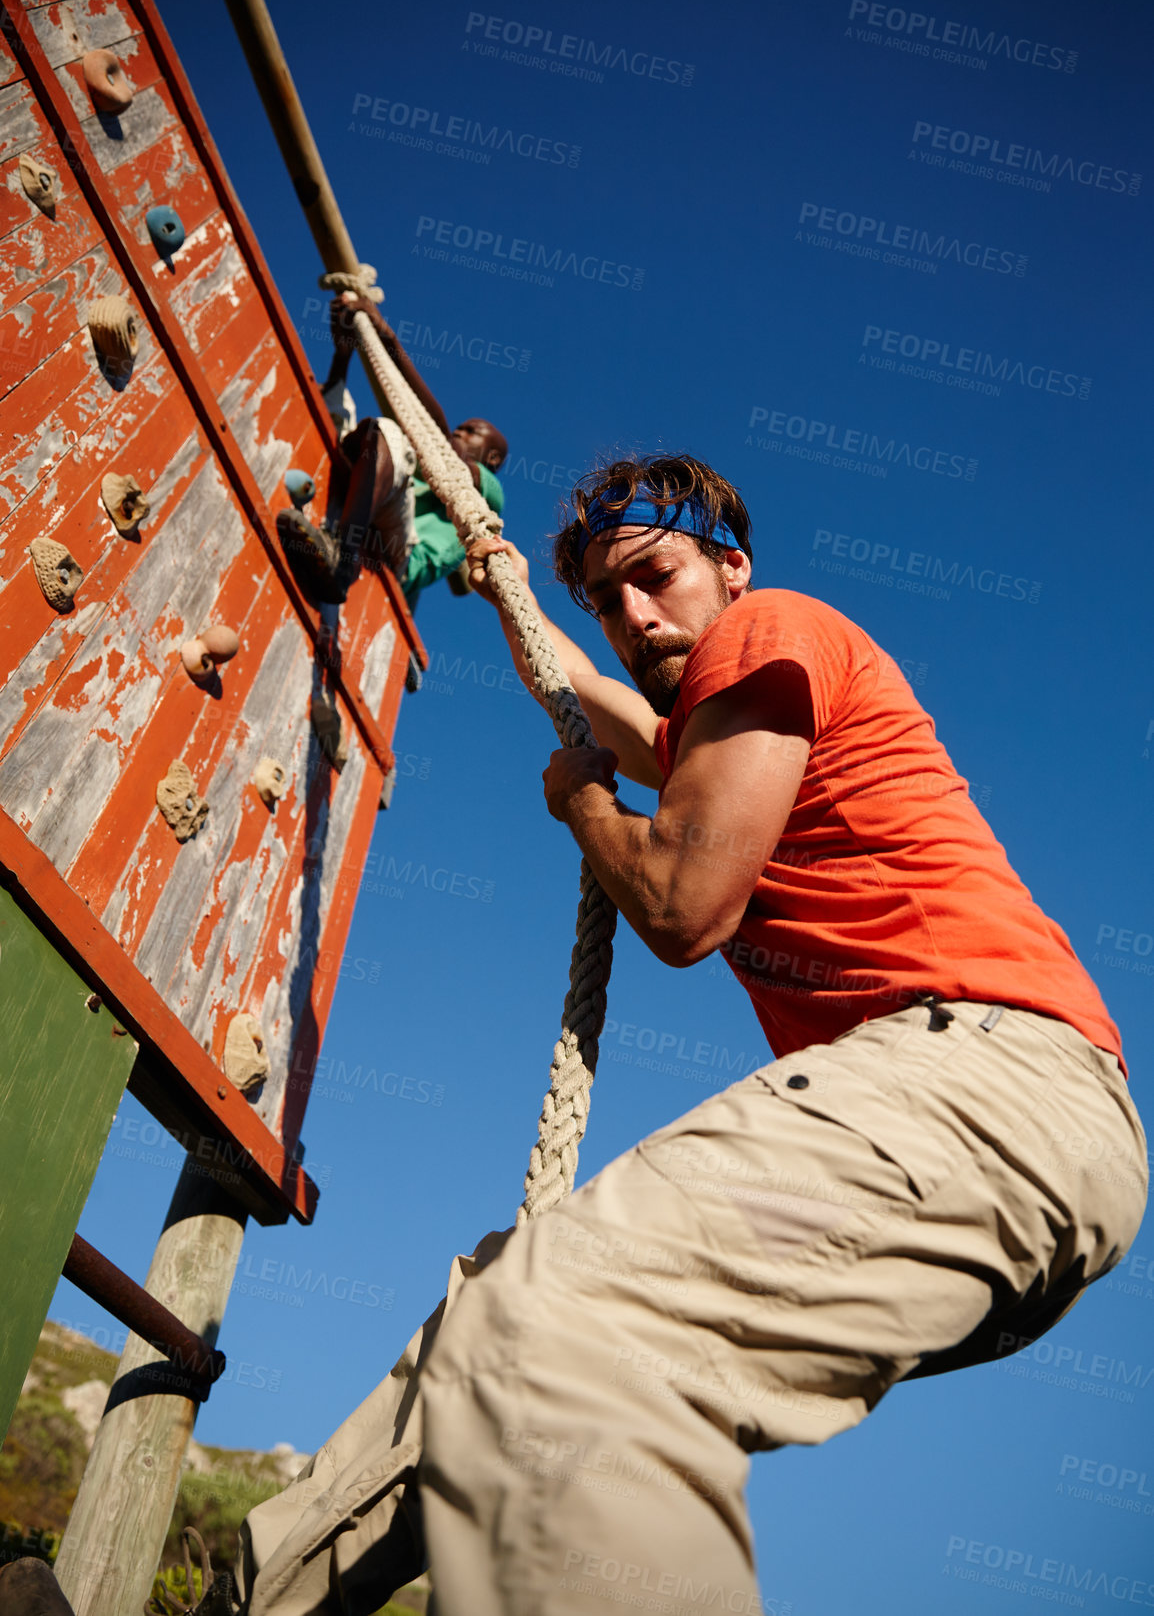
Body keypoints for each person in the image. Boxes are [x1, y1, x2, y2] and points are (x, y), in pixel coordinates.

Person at [223, 452, 1144, 1616]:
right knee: (486, 1336)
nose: (634, 617)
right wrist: (488, 575)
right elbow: (570, 682)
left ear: (731, 568)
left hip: (991, 1083)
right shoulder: (726, 728)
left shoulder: (768, 633)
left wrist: (583, 803)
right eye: (609, 601)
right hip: (1023, 1152)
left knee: (562, 1332)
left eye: (655, 576)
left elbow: (678, 903)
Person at [276, 293, 507, 607]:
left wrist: (387, 336)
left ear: (492, 457)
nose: (458, 431)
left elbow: (438, 435)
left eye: (470, 432)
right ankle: (343, 537)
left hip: (399, 554)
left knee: (390, 436)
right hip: (374, 504)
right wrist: (343, 355)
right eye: (460, 428)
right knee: (361, 428)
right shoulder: (413, 465)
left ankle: (343, 558)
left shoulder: (489, 492)